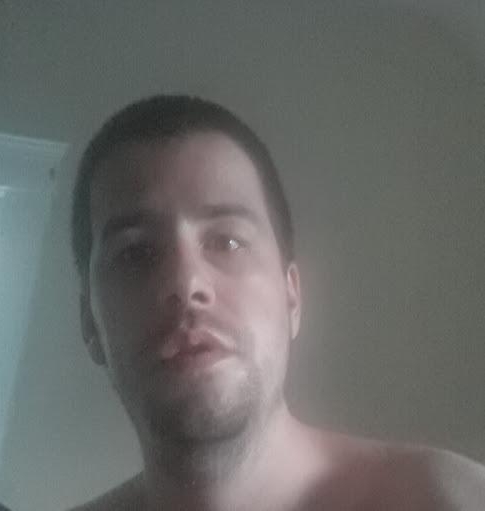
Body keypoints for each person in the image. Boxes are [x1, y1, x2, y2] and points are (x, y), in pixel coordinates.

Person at [70, 95, 485, 510]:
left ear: (292, 297)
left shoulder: (448, 499)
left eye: (227, 241)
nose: (186, 283)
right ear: (90, 322)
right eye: (135, 253)